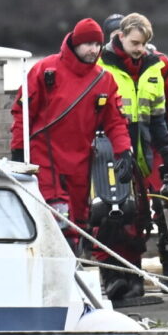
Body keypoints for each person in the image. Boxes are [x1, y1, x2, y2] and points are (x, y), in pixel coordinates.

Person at [10, 18, 133, 254]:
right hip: (44, 156)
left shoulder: (104, 80)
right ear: (75, 44)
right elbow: (22, 112)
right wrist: (18, 150)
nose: (93, 50)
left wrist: (123, 151)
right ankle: (59, 265)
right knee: (58, 214)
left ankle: (73, 269)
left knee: (78, 217)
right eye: (87, 44)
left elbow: (115, 121)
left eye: (97, 44)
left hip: (80, 159)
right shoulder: (46, 70)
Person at [95, 13, 168, 302]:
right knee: (111, 214)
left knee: (140, 216)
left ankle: (134, 281)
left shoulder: (153, 67)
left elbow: (158, 116)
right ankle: (115, 277)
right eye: (135, 43)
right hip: (107, 150)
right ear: (119, 36)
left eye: (143, 44)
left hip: (142, 149)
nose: (139, 49)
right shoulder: (100, 67)